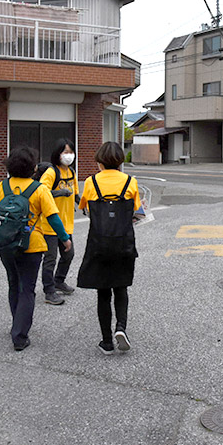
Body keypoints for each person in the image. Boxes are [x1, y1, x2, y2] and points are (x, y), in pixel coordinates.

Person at [0, 146, 72, 351]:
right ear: (33, 169)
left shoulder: (1, 187)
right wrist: (65, 239)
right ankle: (20, 336)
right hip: (32, 246)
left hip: (5, 246)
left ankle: (17, 324)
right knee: (27, 289)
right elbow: (53, 218)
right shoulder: (39, 189)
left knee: (14, 284)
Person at [77, 141, 142, 355]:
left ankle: (106, 341)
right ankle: (121, 328)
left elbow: (84, 207)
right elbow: (137, 212)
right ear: (120, 160)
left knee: (103, 292)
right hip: (124, 243)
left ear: (99, 161)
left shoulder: (90, 182)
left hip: (99, 244)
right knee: (121, 288)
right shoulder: (130, 182)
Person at [38, 139, 79, 305]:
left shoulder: (72, 173)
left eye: (70, 152)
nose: (68, 155)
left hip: (66, 223)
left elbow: (75, 193)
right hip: (49, 224)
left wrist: (86, 205)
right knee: (50, 258)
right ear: (58, 154)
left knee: (68, 255)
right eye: (65, 152)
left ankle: (59, 280)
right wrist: (59, 193)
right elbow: (41, 193)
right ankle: (49, 291)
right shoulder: (51, 172)